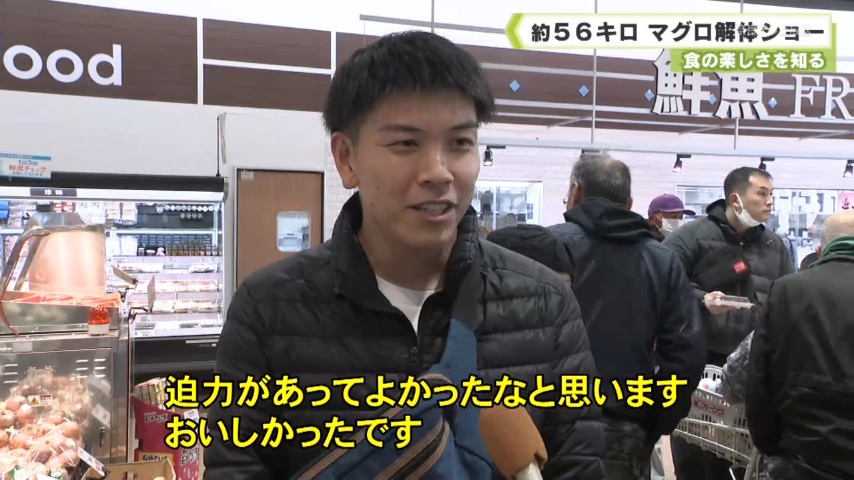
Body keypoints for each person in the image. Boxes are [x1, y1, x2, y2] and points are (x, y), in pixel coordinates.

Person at [204, 31, 605, 479]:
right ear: (346, 158)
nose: (438, 172)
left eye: (460, 143)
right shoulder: (268, 309)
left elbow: (579, 467)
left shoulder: (546, 304)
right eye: (406, 144)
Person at [548, 152, 705, 480]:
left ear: (575, 192)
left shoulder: (545, 248)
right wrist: (657, 419)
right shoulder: (661, 260)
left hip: (547, 421)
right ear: (630, 203)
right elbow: (686, 354)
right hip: (627, 424)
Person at [663, 166, 795, 480]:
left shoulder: (774, 246)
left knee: (744, 454)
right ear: (736, 200)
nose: (770, 201)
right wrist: (701, 299)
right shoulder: (691, 237)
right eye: (762, 193)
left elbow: (788, 298)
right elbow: (663, 284)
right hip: (697, 360)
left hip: (750, 365)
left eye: (772, 194)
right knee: (694, 452)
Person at [746, 210, 854, 479]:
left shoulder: (787, 290)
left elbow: (759, 377)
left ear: (820, 250)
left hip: (805, 456)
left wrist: (769, 444)